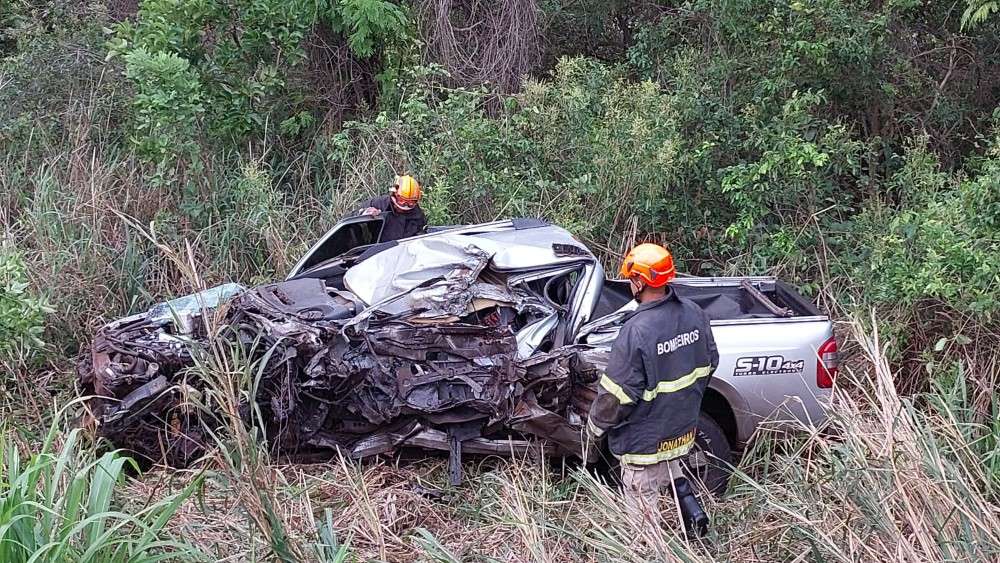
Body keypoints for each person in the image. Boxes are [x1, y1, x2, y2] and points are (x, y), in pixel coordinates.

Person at [585, 242, 719, 539]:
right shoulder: (694, 313)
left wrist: (594, 429)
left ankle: (650, 549)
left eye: (631, 279)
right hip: (680, 430)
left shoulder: (636, 331)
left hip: (643, 442)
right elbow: (710, 363)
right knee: (673, 475)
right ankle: (695, 533)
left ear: (640, 282)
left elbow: (616, 397)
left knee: (643, 509)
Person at [356, 174, 428, 242]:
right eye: (401, 200)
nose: (405, 205)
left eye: (410, 202)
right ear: (393, 195)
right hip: (378, 253)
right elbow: (350, 218)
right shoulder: (378, 204)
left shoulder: (418, 215)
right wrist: (364, 213)